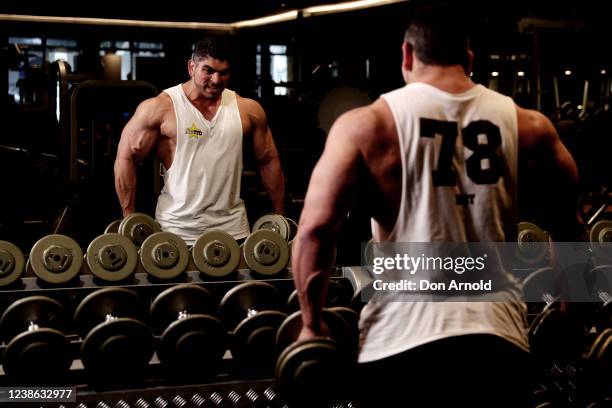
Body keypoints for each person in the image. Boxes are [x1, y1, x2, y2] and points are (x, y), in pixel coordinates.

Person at [291, 5, 580, 407]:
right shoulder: (530, 125)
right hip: (497, 344)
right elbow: (569, 228)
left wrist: (311, 324)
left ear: (407, 55)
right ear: (470, 59)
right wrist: (569, 316)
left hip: (399, 344)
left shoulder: (367, 125)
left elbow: (316, 230)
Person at [115, 38, 285, 244]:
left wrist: (279, 216)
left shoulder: (248, 109)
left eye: (223, 73)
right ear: (191, 67)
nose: (216, 80)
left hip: (234, 232)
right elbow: (126, 157)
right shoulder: (160, 108)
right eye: (208, 71)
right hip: (176, 232)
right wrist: (129, 218)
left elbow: (268, 160)